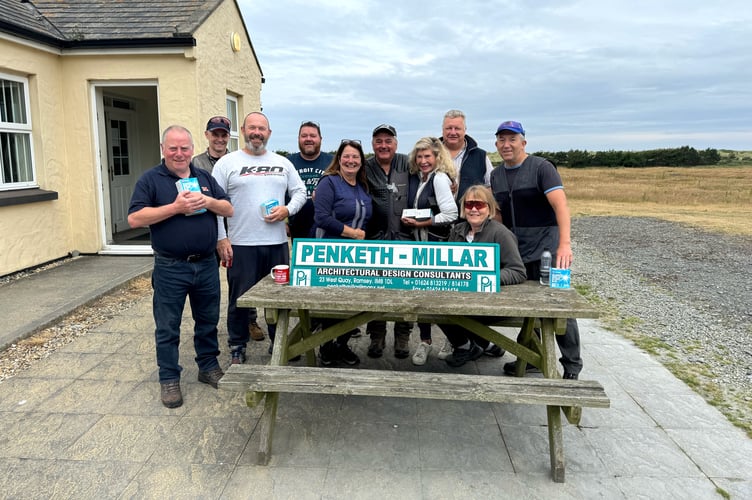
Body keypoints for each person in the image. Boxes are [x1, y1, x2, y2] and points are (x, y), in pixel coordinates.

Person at [127, 125, 234, 408]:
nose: (179, 153)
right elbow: (135, 219)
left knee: (208, 321)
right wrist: (174, 208)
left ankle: (208, 366)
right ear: (163, 149)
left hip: (206, 265)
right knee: (167, 327)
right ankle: (169, 379)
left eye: (184, 148)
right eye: (173, 148)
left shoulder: (203, 177)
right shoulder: (151, 179)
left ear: (191, 148)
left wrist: (208, 200)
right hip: (171, 267)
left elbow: (228, 208)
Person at [489, 120, 582, 379]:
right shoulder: (496, 175)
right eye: (502, 140)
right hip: (518, 252)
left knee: (559, 307)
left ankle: (572, 364)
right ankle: (531, 357)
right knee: (528, 307)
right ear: (496, 144)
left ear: (523, 142)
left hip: (548, 252)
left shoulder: (542, 168)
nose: (507, 145)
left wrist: (565, 244)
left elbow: (561, 206)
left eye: (512, 139)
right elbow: (498, 216)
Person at [212, 112, 306, 365]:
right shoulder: (226, 163)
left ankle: (279, 343)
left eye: (262, 128)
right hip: (240, 244)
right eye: (252, 127)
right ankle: (236, 345)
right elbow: (215, 206)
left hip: (276, 245)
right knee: (239, 299)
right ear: (243, 130)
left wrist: (288, 210)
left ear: (269, 133)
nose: (257, 132)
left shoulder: (282, 163)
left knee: (278, 298)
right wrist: (222, 239)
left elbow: (300, 191)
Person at [437, 185, 526, 367]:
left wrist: (486, 278)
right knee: (432, 304)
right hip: (461, 296)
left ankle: (466, 347)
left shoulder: (501, 233)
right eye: (469, 205)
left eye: (479, 204)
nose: (474, 209)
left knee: (449, 311)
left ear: (489, 208)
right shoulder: (457, 231)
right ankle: (479, 345)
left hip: (490, 300)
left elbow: (518, 271)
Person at [313, 139, 372, 366]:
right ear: (339, 159)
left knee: (352, 302)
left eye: (355, 157)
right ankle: (326, 347)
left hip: (356, 254)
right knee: (332, 301)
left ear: (361, 161)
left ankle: (342, 344)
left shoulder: (362, 186)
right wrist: (353, 233)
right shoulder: (329, 182)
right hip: (329, 249)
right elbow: (322, 217)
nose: (350, 160)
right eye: (346, 156)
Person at [401, 137, 458, 365]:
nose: (423, 161)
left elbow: (451, 214)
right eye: (420, 156)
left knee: (442, 295)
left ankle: (452, 339)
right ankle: (425, 341)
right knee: (422, 295)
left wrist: (423, 223)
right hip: (421, 244)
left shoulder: (440, 178)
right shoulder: (421, 178)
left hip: (437, 245)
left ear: (437, 157)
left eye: (428, 156)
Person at [363, 124, 413, 359]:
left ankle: (403, 336)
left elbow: (432, 171)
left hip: (405, 237)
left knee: (406, 289)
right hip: (375, 238)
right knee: (375, 290)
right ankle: (377, 335)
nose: (383, 145)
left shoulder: (408, 162)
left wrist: (452, 181)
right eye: (378, 141)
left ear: (396, 143)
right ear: (373, 144)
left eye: (388, 140)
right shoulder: (366, 166)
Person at [287, 121, 333, 241]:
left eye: (313, 136)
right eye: (304, 136)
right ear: (298, 139)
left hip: (328, 228)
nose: (308, 139)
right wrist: (283, 222)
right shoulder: (287, 163)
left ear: (320, 139)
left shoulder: (333, 162)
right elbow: (278, 192)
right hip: (297, 228)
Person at [440, 109, 494, 201]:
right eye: (449, 128)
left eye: (457, 128)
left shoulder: (481, 156)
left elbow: (491, 187)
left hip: (470, 213)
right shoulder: (430, 155)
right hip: (437, 214)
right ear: (442, 130)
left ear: (465, 130)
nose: (453, 132)